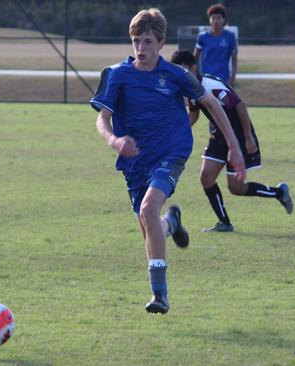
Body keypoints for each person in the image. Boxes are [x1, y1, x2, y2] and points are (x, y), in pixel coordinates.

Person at [91, 9, 246, 315]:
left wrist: (234, 147)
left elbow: (211, 103)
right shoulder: (118, 75)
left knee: (149, 209)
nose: (140, 48)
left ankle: (159, 295)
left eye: (147, 41)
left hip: (171, 153)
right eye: (136, 41)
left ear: (161, 43)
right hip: (134, 162)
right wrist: (114, 140)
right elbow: (102, 119)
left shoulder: (176, 76)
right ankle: (170, 223)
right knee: (150, 226)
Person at [171, 49, 293, 232]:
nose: (181, 74)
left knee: (236, 188)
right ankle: (225, 223)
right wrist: (177, 132)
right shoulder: (190, 89)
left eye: (183, 70)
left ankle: (279, 192)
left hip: (239, 136)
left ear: (193, 67)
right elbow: (194, 114)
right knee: (206, 178)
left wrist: (249, 137)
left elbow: (239, 105)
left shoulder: (211, 85)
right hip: (218, 137)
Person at [194, 3, 238, 86]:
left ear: (223, 19)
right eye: (213, 18)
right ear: (209, 20)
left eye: (218, 18)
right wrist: (195, 74)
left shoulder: (230, 36)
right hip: (206, 79)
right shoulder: (202, 36)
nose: (215, 20)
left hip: (224, 80)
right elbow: (195, 56)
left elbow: (234, 58)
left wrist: (233, 77)